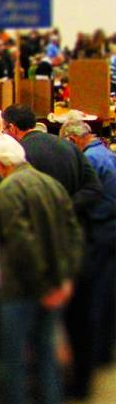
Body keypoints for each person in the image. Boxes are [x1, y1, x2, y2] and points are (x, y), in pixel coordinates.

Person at [0, 134, 83, 404]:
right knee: (46, 357)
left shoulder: (8, 189)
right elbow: (73, 233)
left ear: (1, 164)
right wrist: (64, 279)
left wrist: (43, 285)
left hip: (22, 288)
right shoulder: (52, 184)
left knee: (14, 359)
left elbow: (20, 242)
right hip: (54, 285)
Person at [62, 120, 116, 369]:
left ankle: (95, 351)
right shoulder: (107, 153)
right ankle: (105, 347)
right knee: (108, 290)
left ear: (73, 140)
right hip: (111, 228)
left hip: (100, 228)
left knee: (95, 293)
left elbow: (90, 196)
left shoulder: (90, 160)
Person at [3, 104, 104, 221]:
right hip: (73, 224)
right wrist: (67, 206)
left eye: (4, 130)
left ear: (12, 128)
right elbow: (94, 188)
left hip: (40, 226)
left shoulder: (19, 155)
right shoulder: (69, 146)